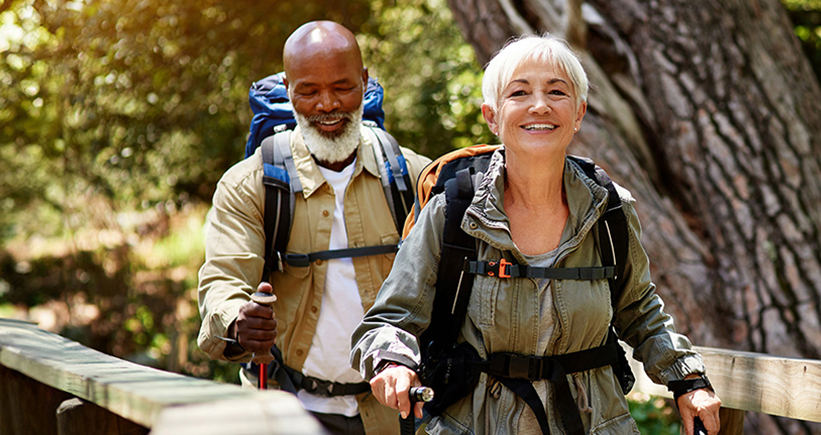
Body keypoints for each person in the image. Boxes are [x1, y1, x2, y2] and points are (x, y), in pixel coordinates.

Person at [351, 35, 723, 434]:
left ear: (578, 113)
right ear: (492, 116)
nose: (540, 105)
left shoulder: (610, 210)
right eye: (520, 92)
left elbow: (640, 311)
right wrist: (393, 362)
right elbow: (391, 319)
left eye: (557, 91)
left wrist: (689, 380)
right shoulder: (453, 211)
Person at [197, 21, 431, 435]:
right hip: (291, 412)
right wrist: (238, 321)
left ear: (364, 81)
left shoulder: (412, 176)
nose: (327, 104)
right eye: (309, 91)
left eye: (342, 87)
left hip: (398, 416)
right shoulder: (250, 185)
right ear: (288, 89)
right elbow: (223, 280)